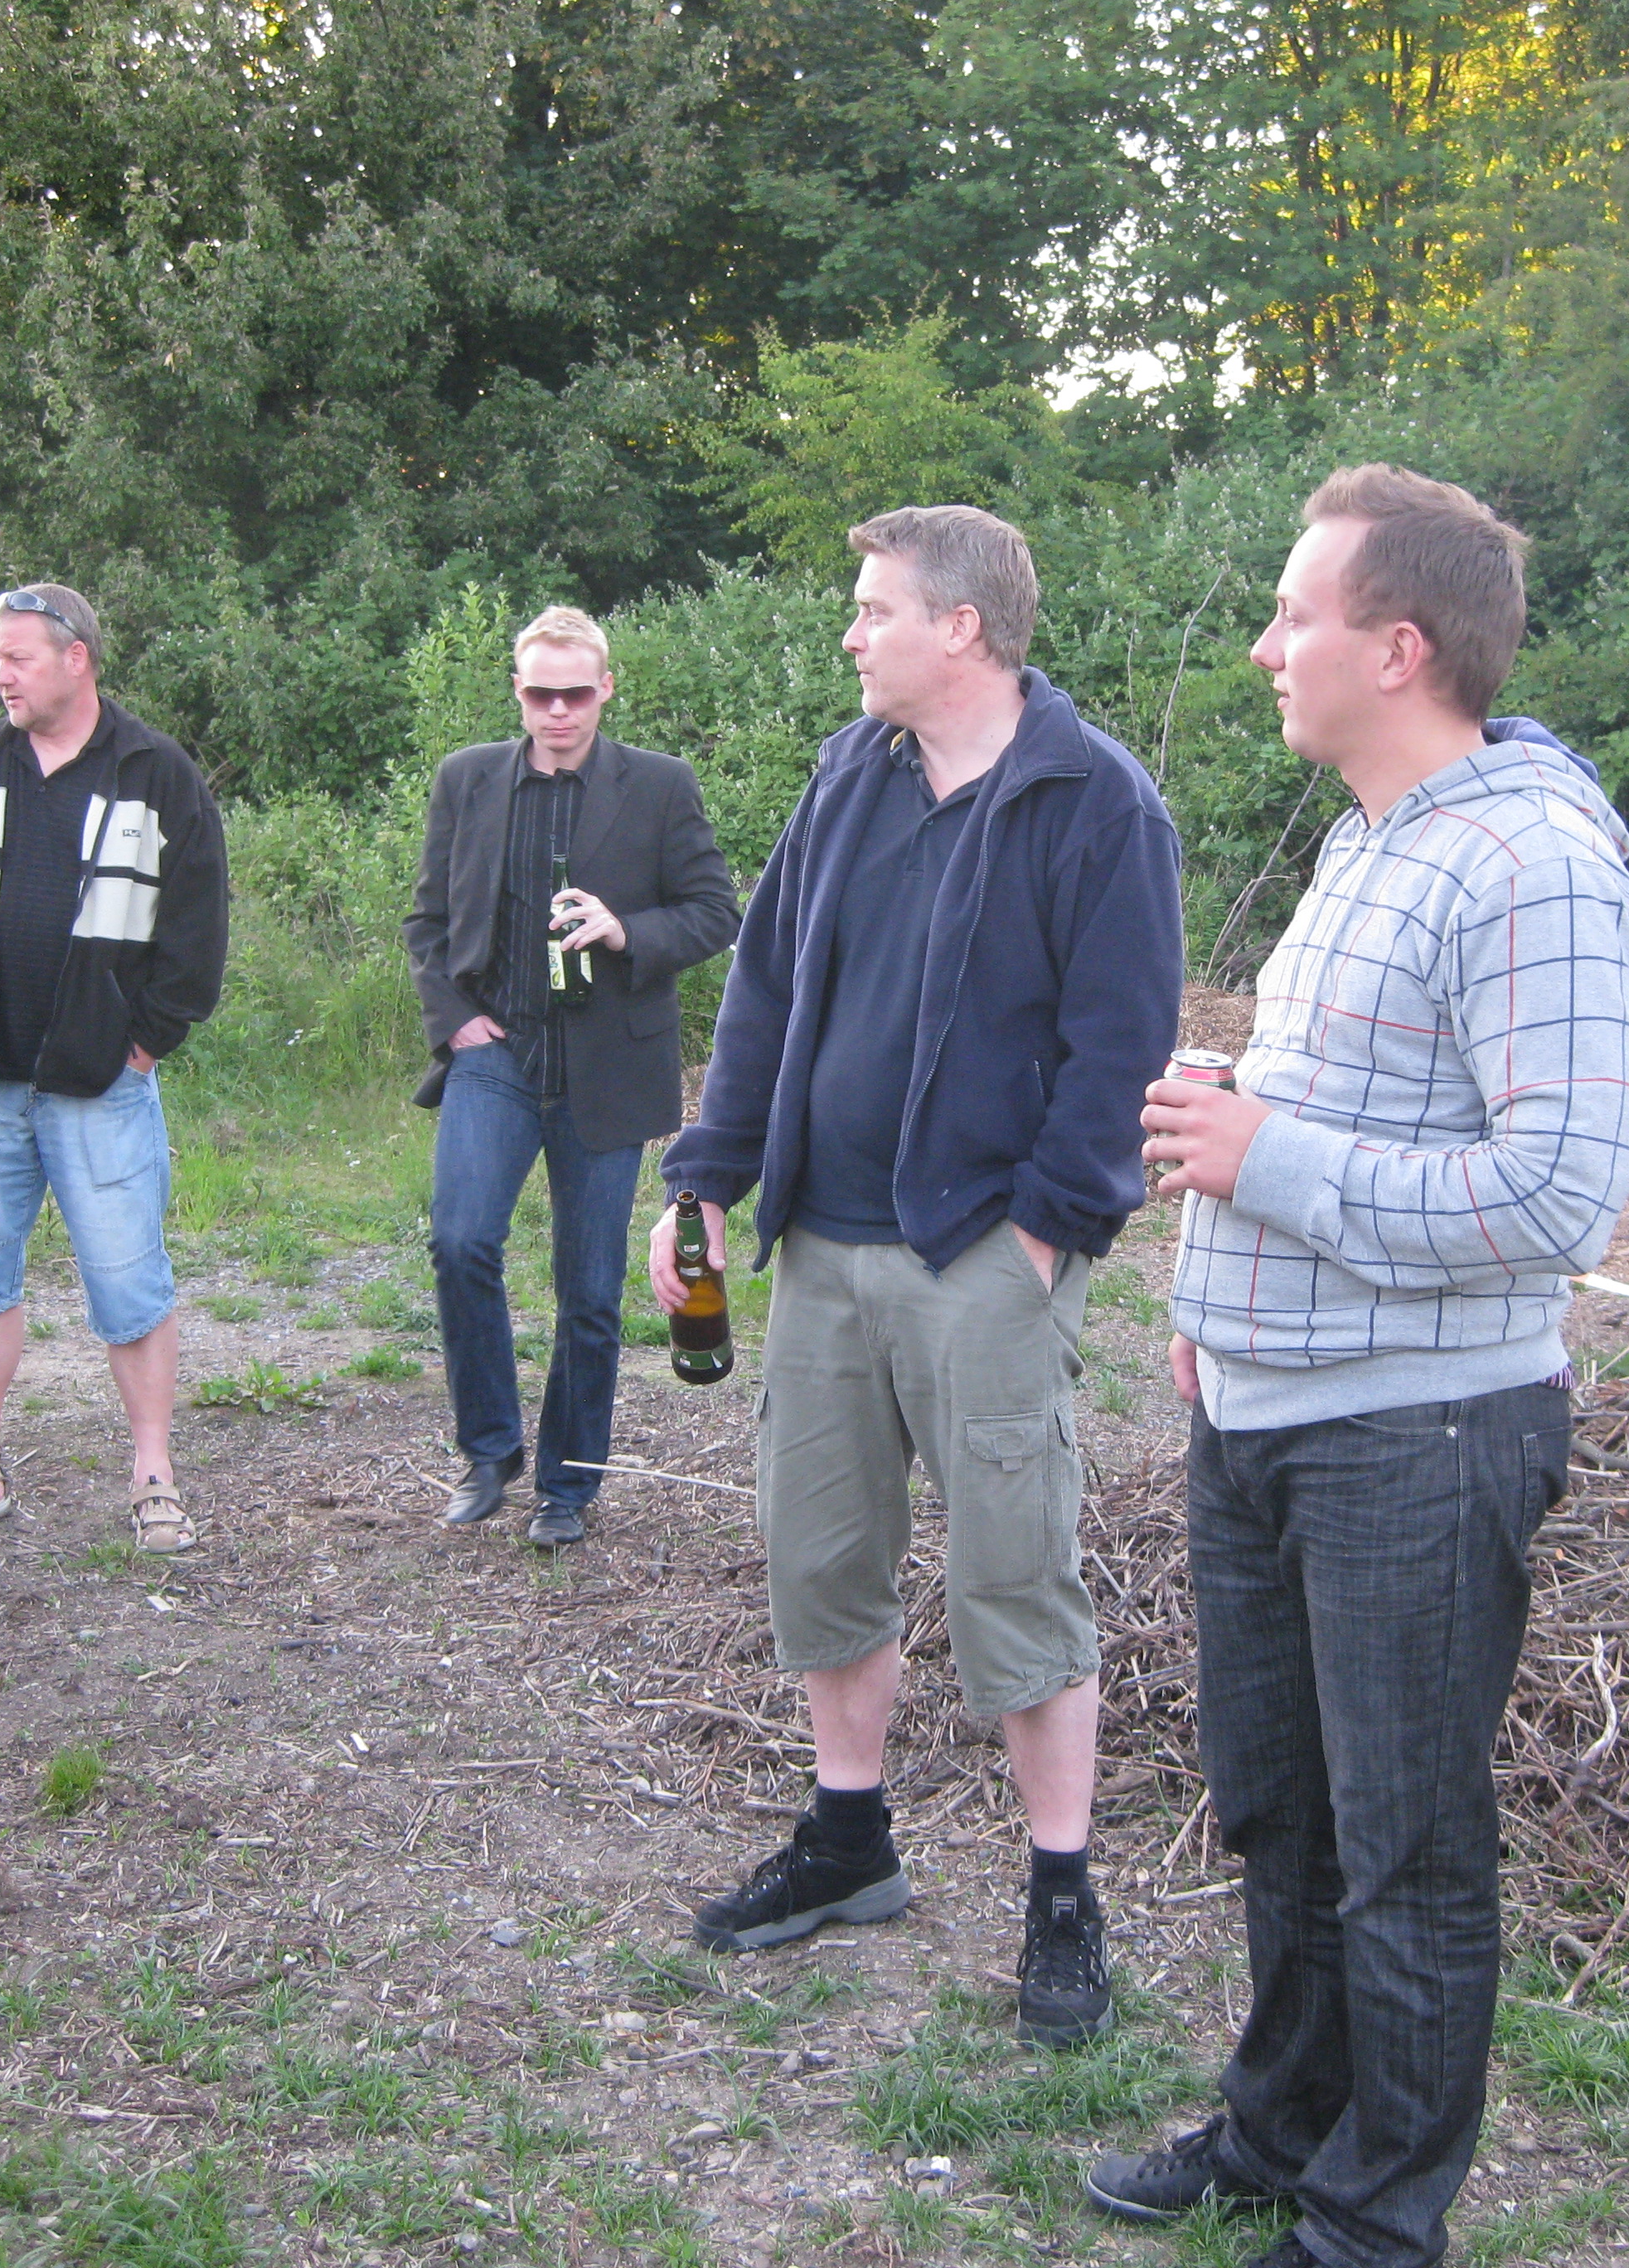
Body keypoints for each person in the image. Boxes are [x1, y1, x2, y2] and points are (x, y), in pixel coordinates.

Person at [1090, 467, 1629, 2268]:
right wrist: (1217, 1301)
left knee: (1403, 1843)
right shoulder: (1368, 840)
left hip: (1422, 1432)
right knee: (1283, 1812)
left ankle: (1376, 2222)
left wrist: (1265, 1158)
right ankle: (1282, 2132)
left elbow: (1559, 1196)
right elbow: (1344, 1118)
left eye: (1293, 614)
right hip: (1266, 1410)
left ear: (1397, 649)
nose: (1267, 648)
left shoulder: (1533, 865)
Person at [652, 506, 1182, 2047]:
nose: (850, 633)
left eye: (873, 608)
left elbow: (1120, 1045)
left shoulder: (1096, 802)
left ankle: (1061, 1893)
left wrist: (1045, 1234)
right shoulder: (849, 773)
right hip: (822, 1241)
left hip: (985, 1256)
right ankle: (848, 1841)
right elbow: (765, 985)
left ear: (960, 627)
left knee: (1013, 1574)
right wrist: (706, 1176)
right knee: (820, 1553)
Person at [0, 584, 228, 1553]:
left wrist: (144, 1040)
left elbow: (197, 928)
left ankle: (153, 1477)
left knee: (127, 1281)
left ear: (77, 659)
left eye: (17, 657)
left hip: (100, 1084)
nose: (0, 674)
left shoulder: (154, 772)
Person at [405, 604, 737, 1544]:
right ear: (517, 691)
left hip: (608, 1066)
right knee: (461, 1241)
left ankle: (570, 1484)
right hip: (497, 1057)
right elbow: (427, 921)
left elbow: (716, 911)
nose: (559, 711)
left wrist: (626, 930)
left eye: (577, 694)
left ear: (606, 690)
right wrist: (454, 1020)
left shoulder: (660, 785)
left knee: (589, 1291)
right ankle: (489, 1451)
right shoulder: (467, 779)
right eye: (542, 694)